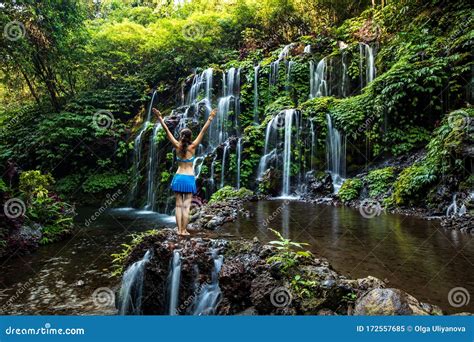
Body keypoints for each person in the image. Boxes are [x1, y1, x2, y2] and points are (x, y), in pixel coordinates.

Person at [152, 107, 217, 236]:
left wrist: (160, 118)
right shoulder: (193, 147)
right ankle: (184, 230)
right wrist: (210, 118)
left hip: (178, 177)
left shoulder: (177, 146)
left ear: (181, 136)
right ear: (190, 136)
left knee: (178, 206)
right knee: (186, 207)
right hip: (189, 178)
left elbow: (167, 132)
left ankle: (178, 230)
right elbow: (203, 132)